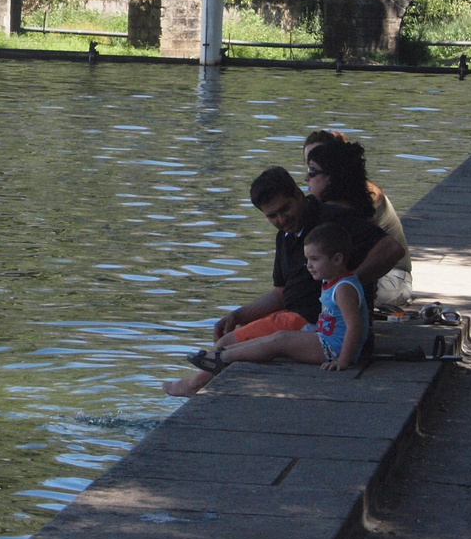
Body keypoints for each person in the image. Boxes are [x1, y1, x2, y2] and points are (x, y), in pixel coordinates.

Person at [161, 166, 404, 397]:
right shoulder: (285, 237)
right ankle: (206, 382)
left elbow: (392, 248)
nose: (281, 219)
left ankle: (193, 385)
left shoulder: (333, 220)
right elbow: (279, 293)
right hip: (293, 313)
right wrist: (239, 315)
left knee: (227, 343)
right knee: (229, 339)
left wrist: (346, 284)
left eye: (285, 209)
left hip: (311, 319)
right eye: (272, 216)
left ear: (299, 194)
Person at [187, 222, 369, 374]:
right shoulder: (332, 281)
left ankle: (223, 358)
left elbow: (355, 325)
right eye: (307, 260)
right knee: (278, 336)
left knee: (280, 341)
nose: (309, 265)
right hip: (327, 341)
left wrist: (343, 360)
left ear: (337, 259)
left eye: (314, 259)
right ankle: (222, 353)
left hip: (333, 349)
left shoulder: (344, 288)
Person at [304, 129, 413, 307]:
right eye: (307, 164)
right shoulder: (324, 203)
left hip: (394, 276)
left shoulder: (358, 196)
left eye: (313, 169)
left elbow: (388, 250)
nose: (306, 177)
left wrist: (350, 283)